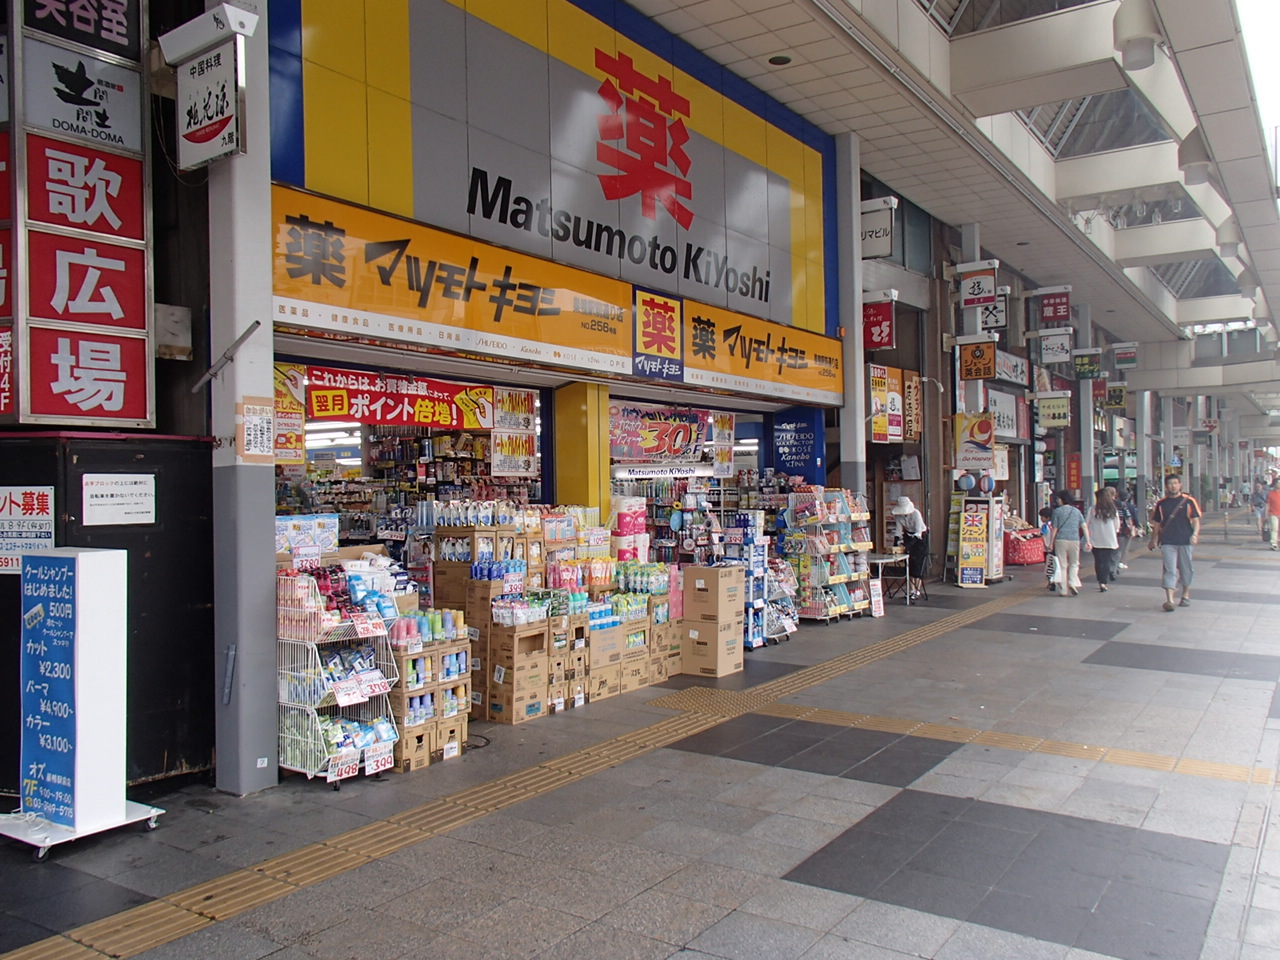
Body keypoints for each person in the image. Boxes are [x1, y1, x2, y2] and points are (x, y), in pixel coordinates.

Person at [1148, 474, 1202, 611]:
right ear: (1166, 486)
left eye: (1175, 483)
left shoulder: (1189, 501)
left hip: (1185, 540)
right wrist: (1153, 540)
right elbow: (1157, 524)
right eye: (1170, 483)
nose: (1173, 486)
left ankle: (1185, 595)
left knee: (1186, 568)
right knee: (1169, 569)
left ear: (1180, 485)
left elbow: (1195, 520)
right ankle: (1170, 600)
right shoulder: (1162, 504)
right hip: (1167, 541)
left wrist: (1195, 534)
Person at [1049, 490, 1090, 597]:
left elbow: (1055, 529)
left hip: (1060, 540)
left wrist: (1050, 542)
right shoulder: (1076, 511)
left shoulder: (1057, 511)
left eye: (1058, 498)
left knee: (1062, 565)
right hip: (1074, 540)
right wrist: (1088, 541)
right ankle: (1072, 582)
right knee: (1074, 563)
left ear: (1062, 499)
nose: (1057, 500)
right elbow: (1084, 526)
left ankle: (1063, 590)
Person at [892, 496, 928, 600]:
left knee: (918, 563)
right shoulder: (898, 516)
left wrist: (910, 544)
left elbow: (918, 531)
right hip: (908, 536)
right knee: (910, 563)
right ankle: (911, 589)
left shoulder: (916, 514)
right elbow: (898, 531)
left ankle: (917, 590)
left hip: (920, 537)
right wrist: (898, 542)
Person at [1087, 488, 1121, 591]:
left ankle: (1100, 580)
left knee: (1098, 561)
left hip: (1095, 540)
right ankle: (1103, 582)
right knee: (1106, 562)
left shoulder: (1093, 509)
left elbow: (1087, 523)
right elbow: (1117, 526)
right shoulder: (1113, 510)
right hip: (1109, 540)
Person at [1113, 487, 1140, 572]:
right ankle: (1122, 562)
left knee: (1117, 546)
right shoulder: (1130, 506)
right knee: (1125, 546)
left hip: (1116, 528)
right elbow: (1134, 517)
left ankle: (1116, 562)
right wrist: (1138, 526)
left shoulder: (1114, 505)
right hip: (1127, 529)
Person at [1039, 507, 1056, 591]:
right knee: (1055, 565)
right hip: (1055, 548)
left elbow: (1043, 536)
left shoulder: (1045, 526)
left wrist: (1046, 545)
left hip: (1047, 549)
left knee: (1048, 565)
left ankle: (1050, 581)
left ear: (1047, 517)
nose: (1041, 519)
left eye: (1042, 517)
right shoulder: (1054, 525)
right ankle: (1055, 580)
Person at [1267, 479, 1280, 551]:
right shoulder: (1271, 493)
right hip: (1273, 513)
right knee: (1274, 529)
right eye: (1278, 483)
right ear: (1275, 484)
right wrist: (1266, 514)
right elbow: (1267, 504)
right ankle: (1273, 544)